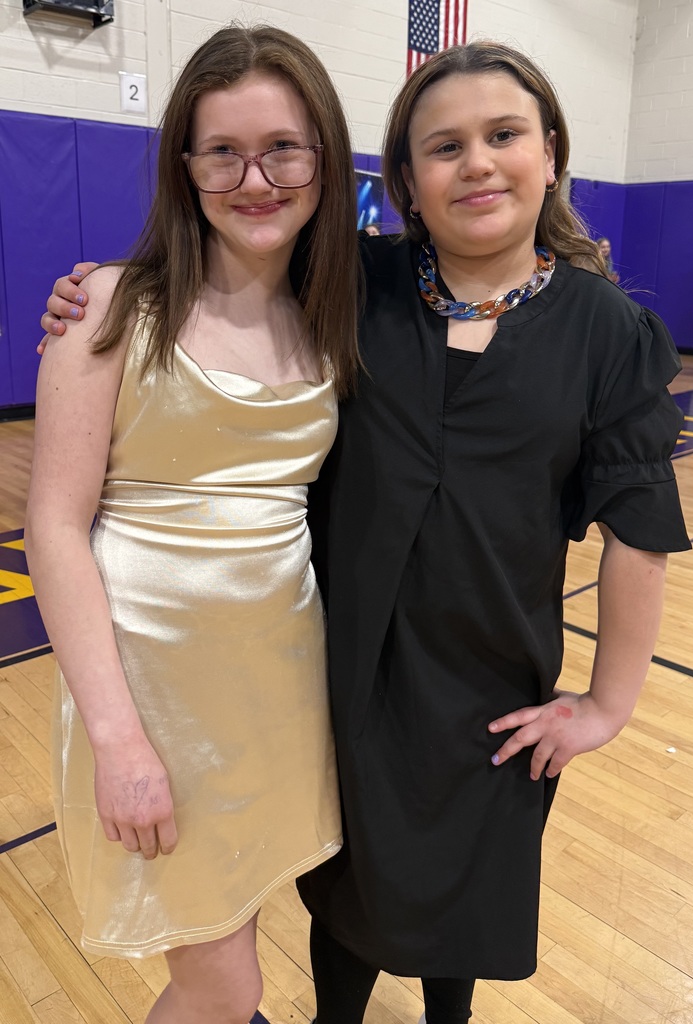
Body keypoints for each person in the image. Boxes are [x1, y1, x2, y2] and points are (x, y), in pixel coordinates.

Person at [39, 40, 690, 1024]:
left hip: (459, 671)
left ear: (551, 151)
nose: (476, 163)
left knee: (448, 889)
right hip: (312, 670)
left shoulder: (592, 327)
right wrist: (93, 291)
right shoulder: (360, 291)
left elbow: (639, 526)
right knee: (321, 904)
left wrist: (609, 702)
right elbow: (210, 277)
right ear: (406, 181)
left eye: (503, 135)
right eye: (443, 146)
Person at [26, 23, 360, 1024]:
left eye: (283, 148)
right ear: (184, 165)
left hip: (277, 691)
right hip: (153, 700)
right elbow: (54, 529)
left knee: (236, 927)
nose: (254, 179)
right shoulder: (106, 308)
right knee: (225, 982)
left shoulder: (334, 317)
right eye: (222, 151)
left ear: (324, 158)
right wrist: (119, 741)